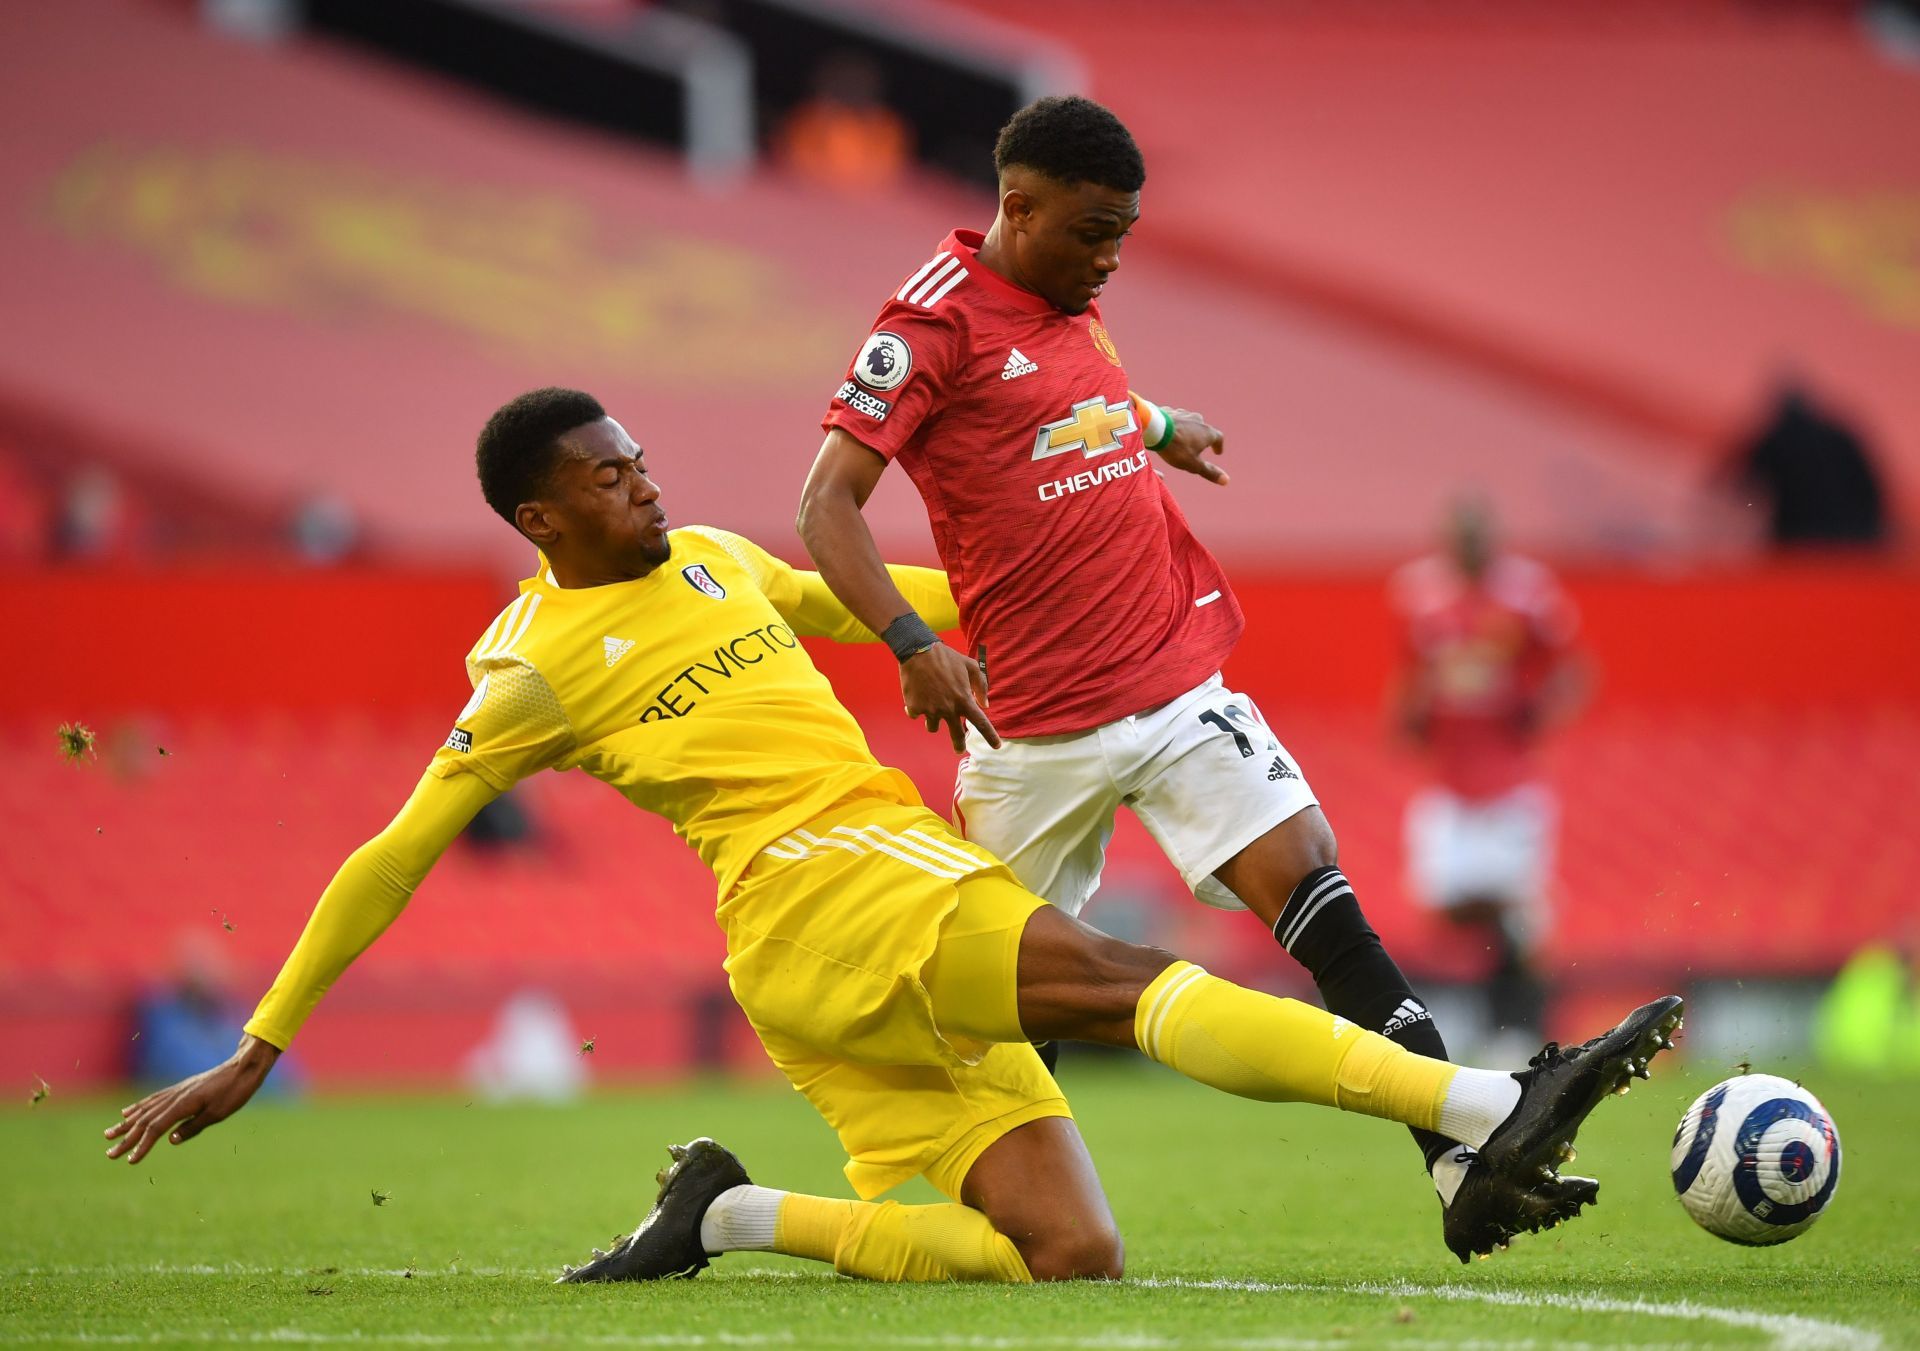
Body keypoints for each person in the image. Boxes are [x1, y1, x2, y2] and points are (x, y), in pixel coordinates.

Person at [103, 390, 1683, 1285]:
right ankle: (1487, 1095)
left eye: (641, 459)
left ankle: (724, 1210)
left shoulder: (717, 555)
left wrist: (1057, 605)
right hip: (826, 885)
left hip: (827, 947)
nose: (644, 485)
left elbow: (894, 604)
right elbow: (396, 845)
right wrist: (262, 1036)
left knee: (1064, 1255)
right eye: (607, 476)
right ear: (542, 518)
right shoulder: (524, 670)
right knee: (1127, 972)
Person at [794, 95, 1543, 1259]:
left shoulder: (1067, 301)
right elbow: (823, 503)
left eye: (1124, 236)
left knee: (1311, 880)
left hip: (1170, 674)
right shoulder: (927, 325)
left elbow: (1058, 406)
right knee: (991, 1010)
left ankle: (1457, 1155)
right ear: (1018, 206)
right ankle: (956, 1217)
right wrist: (908, 639)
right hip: (1033, 727)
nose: (1109, 258)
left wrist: (1156, 424)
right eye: (1093, 232)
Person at [1388, 501, 1591, 1061]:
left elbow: (1571, 671)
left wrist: (1535, 711)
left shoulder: (1528, 593)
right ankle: (1501, 995)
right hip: (1449, 782)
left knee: (1520, 918)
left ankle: (1522, 1029)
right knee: (1446, 902)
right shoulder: (1419, 592)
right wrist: (1412, 715)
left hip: (1510, 783)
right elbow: (1413, 674)